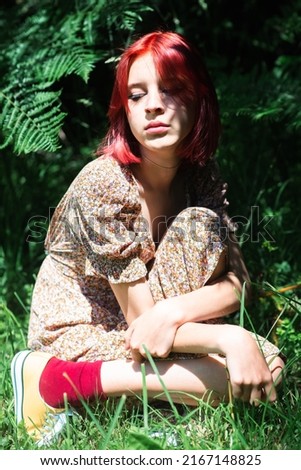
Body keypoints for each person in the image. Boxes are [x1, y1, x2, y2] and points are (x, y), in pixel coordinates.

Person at [11, 31, 285, 447]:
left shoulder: (200, 173)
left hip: (152, 323)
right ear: (125, 111)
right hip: (80, 332)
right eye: (137, 96)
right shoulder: (104, 184)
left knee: (270, 365)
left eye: (172, 89)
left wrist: (171, 314)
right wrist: (230, 336)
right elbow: (140, 326)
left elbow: (240, 283)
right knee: (244, 370)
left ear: (200, 101)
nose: (153, 105)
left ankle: (114, 396)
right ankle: (52, 381)